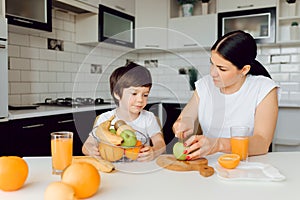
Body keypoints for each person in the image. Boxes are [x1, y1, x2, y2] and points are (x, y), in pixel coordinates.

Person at [172, 30, 279, 161]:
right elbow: (186, 118)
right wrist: (182, 124)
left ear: (244, 70)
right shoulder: (205, 85)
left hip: (248, 164)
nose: (213, 73)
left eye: (222, 69)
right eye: (212, 64)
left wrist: (218, 145)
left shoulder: (263, 88)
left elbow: (262, 143)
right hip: (208, 164)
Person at [82, 62, 166, 161]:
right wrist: (91, 150)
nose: (140, 99)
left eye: (145, 95)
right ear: (117, 94)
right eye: (134, 93)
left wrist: (154, 151)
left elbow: (160, 144)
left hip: (141, 169)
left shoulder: (148, 118)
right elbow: (87, 145)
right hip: (112, 168)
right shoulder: (105, 119)